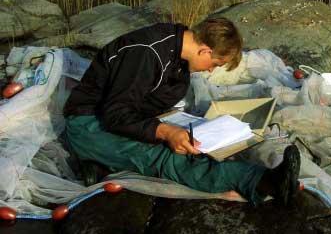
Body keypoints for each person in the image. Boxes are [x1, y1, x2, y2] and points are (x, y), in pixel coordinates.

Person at [63, 18, 300, 206]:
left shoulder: (175, 48)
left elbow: (145, 101)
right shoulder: (146, 53)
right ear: (205, 50)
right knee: (166, 156)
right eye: (215, 64)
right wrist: (165, 131)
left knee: (189, 143)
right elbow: (115, 114)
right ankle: (261, 182)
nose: (209, 72)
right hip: (89, 124)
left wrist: (171, 125)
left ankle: (102, 164)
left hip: (126, 118)